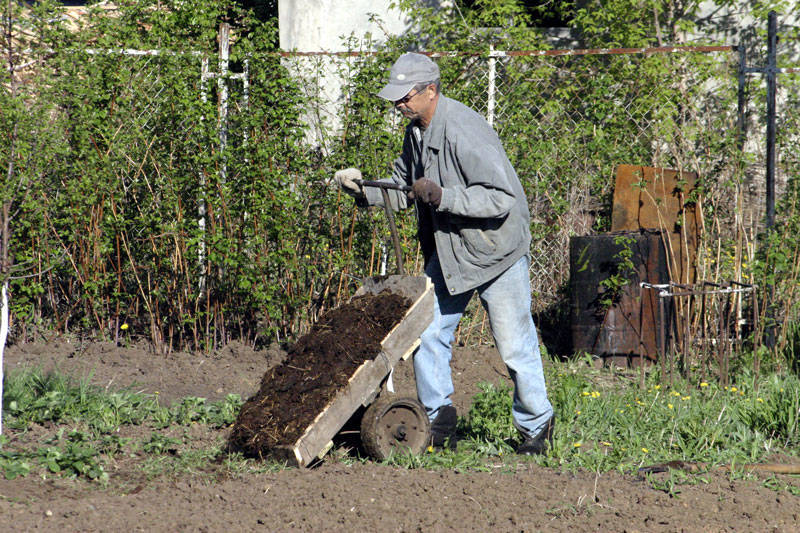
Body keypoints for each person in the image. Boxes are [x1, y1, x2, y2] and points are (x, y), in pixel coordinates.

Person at [334, 52, 554, 455]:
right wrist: (363, 190)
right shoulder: (416, 131)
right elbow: (402, 191)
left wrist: (443, 196)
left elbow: (501, 198)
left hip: (494, 251)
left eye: (404, 96)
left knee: (513, 345)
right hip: (452, 251)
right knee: (428, 332)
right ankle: (438, 420)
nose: (397, 104)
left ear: (430, 91)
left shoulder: (464, 129)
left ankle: (537, 427)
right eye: (395, 97)